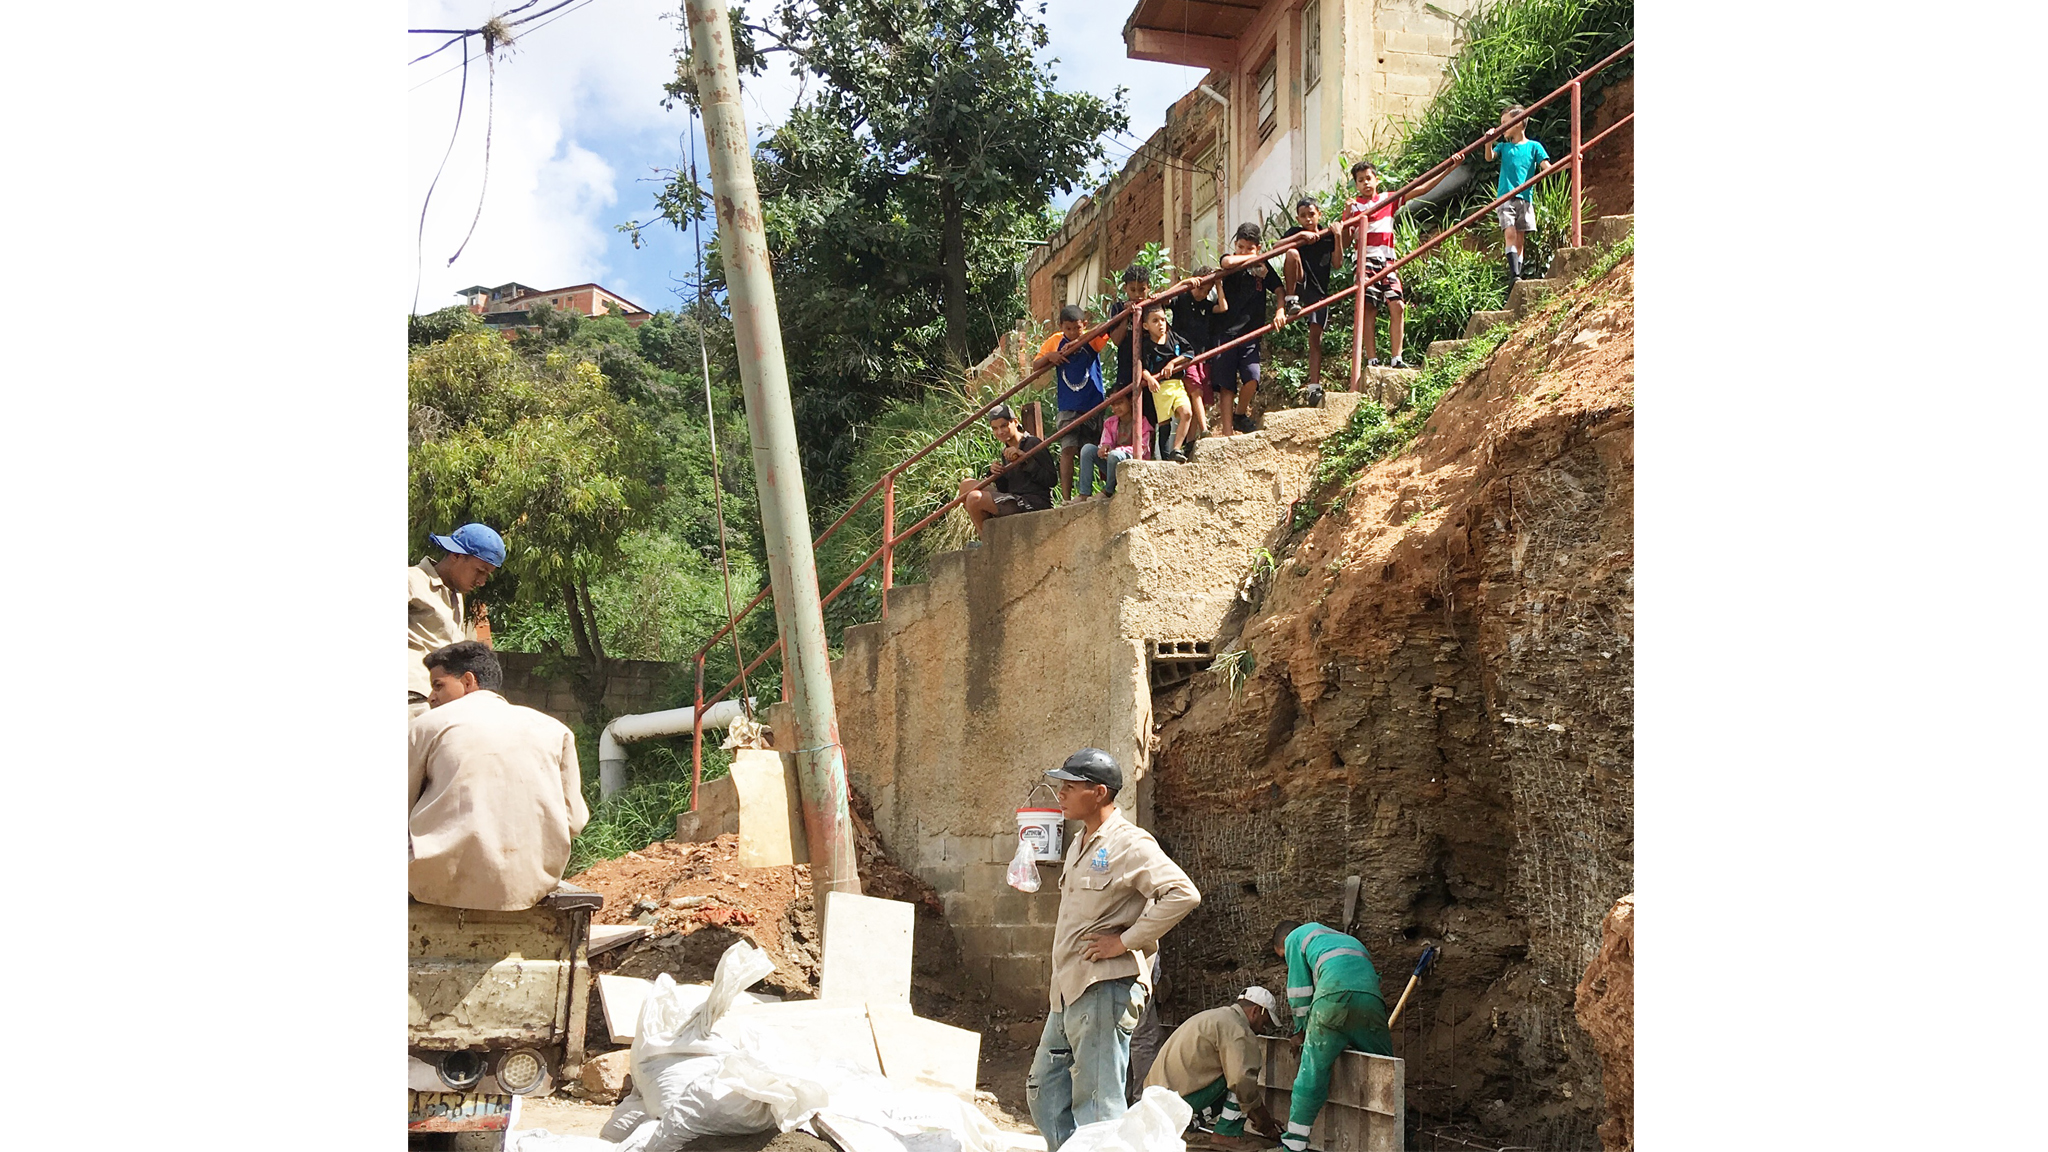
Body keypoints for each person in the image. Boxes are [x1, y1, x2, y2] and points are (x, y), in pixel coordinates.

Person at [1027, 748, 1202, 1151]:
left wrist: (1123, 942)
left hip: (1105, 989)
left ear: (1099, 792)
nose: (1061, 793)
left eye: (1071, 786)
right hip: (1069, 990)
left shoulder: (1130, 843)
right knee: (1044, 1090)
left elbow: (1182, 893)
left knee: (1098, 1105)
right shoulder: (1078, 843)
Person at [408, 641, 590, 911]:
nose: (431, 698)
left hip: (438, 886)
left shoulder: (425, 726)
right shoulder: (555, 730)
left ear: (468, 681)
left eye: (438, 685)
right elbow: (574, 821)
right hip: (530, 887)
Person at [1270, 920, 1393, 1152]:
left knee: (1312, 1071)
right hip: (1371, 1003)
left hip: (1331, 1001)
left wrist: (1301, 1031)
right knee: (1386, 1070)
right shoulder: (1349, 942)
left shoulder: (1296, 938)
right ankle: (1397, 1137)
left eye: (1283, 957)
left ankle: (1294, 1143)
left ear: (1284, 943)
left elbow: (1299, 992)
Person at [1337, 159, 1456, 369]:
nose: (1365, 183)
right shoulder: (1354, 206)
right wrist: (1346, 216)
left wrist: (1450, 167)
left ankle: (1396, 358)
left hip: (1387, 260)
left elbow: (1422, 188)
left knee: (1397, 305)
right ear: (1355, 185)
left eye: (1368, 178)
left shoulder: (1387, 199)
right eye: (1360, 180)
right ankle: (1372, 359)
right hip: (1365, 261)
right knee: (1369, 308)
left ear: (1377, 179)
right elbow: (1346, 242)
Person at [1144, 986, 1284, 1149]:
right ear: (1256, 1011)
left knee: (1235, 1075)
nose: (1261, 1030)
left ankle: (1188, 1124)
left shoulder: (1214, 1016)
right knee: (1240, 1075)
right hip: (1175, 1101)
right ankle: (1227, 1134)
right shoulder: (1238, 1029)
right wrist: (1263, 1121)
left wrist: (1259, 1116)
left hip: (1157, 1099)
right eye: (1264, 1023)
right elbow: (1241, 1081)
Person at [408, 523, 506, 719]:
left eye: (487, 575)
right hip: (413, 700)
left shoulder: (457, 597)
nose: (482, 581)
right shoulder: (412, 580)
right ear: (456, 555)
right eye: (480, 570)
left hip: (445, 704)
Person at [1212, 224, 1285, 437]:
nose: (1243, 252)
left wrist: (1280, 311)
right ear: (1235, 245)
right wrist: (1251, 260)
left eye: (1249, 249)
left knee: (1252, 377)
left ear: (1258, 248)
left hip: (1251, 333)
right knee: (1226, 385)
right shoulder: (1232, 264)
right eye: (1240, 247)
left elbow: (1279, 288)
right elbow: (1226, 261)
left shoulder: (1263, 267)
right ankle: (1227, 433)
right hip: (1226, 333)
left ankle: (1240, 414)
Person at [1033, 304, 1110, 502]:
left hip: (1093, 403)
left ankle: (1099, 491)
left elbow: (1107, 327)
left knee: (1093, 450)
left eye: (1078, 328)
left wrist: (1082, 339)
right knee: (1067, 449)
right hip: (1068, 405)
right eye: (1069, 328)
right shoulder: (1055, 341)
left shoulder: (1091, 340)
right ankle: (1066, 499)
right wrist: (1050, 357)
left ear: (1084, 325)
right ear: (1061, 327)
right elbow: (1035, 365)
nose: (1074, 333)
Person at [959, 403, 1058, 535]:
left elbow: (1051, 480)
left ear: (1015, 422)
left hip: (1032, 502)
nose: (1000, 432)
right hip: (1013, 497)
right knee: (966, 485)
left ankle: (986, 542)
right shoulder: (1005, 451)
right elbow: (1007, 488)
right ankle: (987, 536)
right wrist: (996, 473)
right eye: (995, 428)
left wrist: (1025, 461)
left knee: (974, 498)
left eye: (1004, 426)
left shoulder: (1033, 443)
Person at [1485, 104, 1551, 282]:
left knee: (1520, 238)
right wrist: (1489, 142)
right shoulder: (1504, 148)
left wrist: (1569, 163)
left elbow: (1547, 168)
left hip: (1525, 199)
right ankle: (1514, 275)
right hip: (1506, 197)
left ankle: (1517, 274)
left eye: (1505, 123)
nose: (1502, 128)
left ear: (1519, 122)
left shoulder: (1534, 147)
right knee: (1510, 233)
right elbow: (1489, 157)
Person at [1279, 198, 1338, 392]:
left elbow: (1337, 263)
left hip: (1319, 293)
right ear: (1297, 218)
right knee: (1292, 254)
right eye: (1303, 216)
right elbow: (1275, 247)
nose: (1308, 219)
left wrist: (1337, 236)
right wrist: (1301, 236)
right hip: (1300, 283)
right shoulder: (1296, 233)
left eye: (1311, 214)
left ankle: (1314, 386)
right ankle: (1290, 300)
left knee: (1315, 338)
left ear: (1319, 214)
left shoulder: (1327, 235)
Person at [1164, 267, 1224, 447]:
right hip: (1184, 355)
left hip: (1203, 354)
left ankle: (1190, 441)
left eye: (1207, 291)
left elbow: (1223, 307)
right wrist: (1185, 283)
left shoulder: (1206, 304)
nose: (1202, 294)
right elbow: (1165, 298)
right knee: (1195, 390)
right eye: (1200, 289)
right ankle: (1204, 430)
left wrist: (1219, 284)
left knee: (1201, 396)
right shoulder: (1181, 298)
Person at [1136, 307, 1196, 462]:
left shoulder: (1173, 337)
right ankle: (1165, 458)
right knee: (1164, 424)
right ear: (1145, 326)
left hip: (1177, 384)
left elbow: (1189, 352)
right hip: (1160, 387)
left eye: (1163, 320)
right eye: (1155, 321)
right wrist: (1149, 379)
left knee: (1187, 413)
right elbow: (1142, 368)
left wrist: (1172, 363)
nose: (1160, 324)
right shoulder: (1146, 346)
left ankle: (1176, 449)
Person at [1077, 390, 1150, 499]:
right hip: (1112, 464)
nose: (1116, 408)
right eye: (1113, 404)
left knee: (1115, 454)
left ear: (1130, 401)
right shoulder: (1110, 422)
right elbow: (1105, 442)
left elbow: (1142, 448)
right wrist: (1104, 448)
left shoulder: (1142, 421)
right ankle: (1084, 493)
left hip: (1131, 464)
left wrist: (1118, 450)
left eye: (1120, 403)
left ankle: (1108, 491)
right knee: (1087, 449)